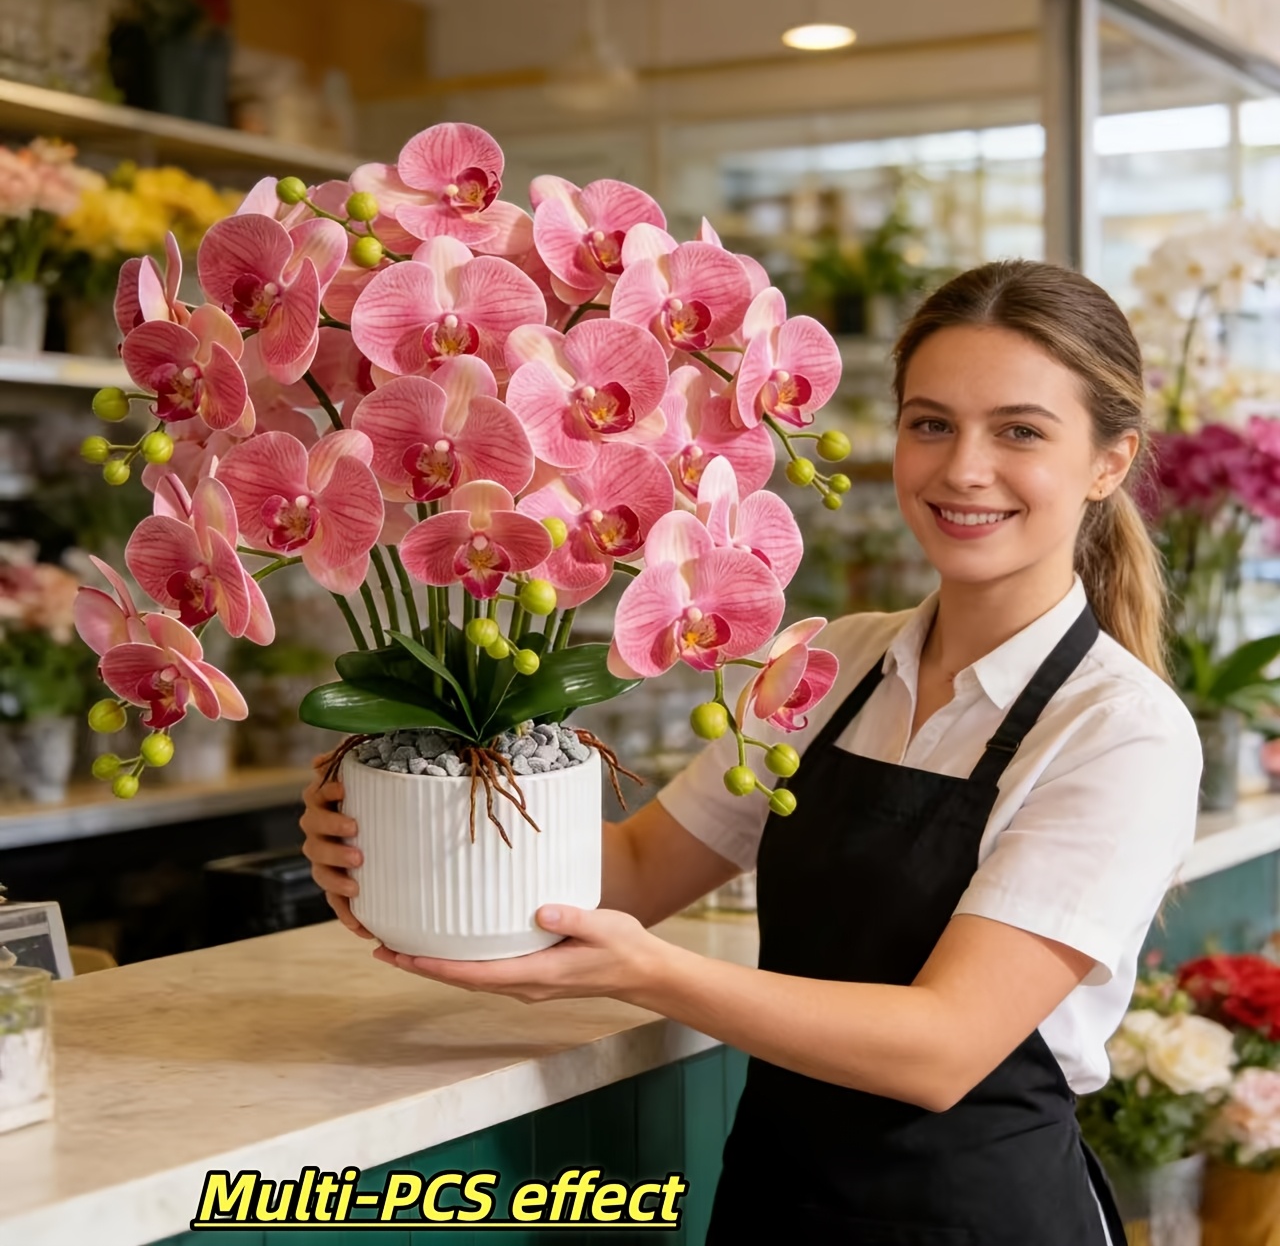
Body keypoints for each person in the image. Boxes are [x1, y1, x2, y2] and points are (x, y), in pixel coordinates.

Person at [300, 259, 1202, 1244]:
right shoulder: (836, 660)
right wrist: (392, 838)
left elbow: (942, 1047)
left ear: (1108, 462)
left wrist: (648, 972)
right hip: (777, 1204)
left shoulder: (1119, 731)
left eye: (1018, 430)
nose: (961, 469)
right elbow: (634, 869)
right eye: (929, 422)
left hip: (976, 1220)